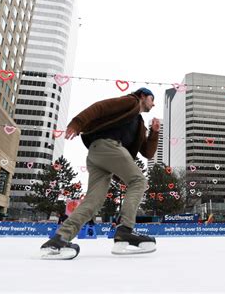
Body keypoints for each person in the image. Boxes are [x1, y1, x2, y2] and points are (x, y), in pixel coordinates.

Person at [40, 88, 160, 259]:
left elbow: (147, 153)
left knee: (93, 201)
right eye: (151, 99)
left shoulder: (138, 123)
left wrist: (155, 132)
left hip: (97, 154)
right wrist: (77, 123)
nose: (153, 104)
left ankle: (60, 238)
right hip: (108, 147)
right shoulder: (130, 102)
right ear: (142, 96)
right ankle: (125, 229)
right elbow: (100, 108)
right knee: (138, 181)